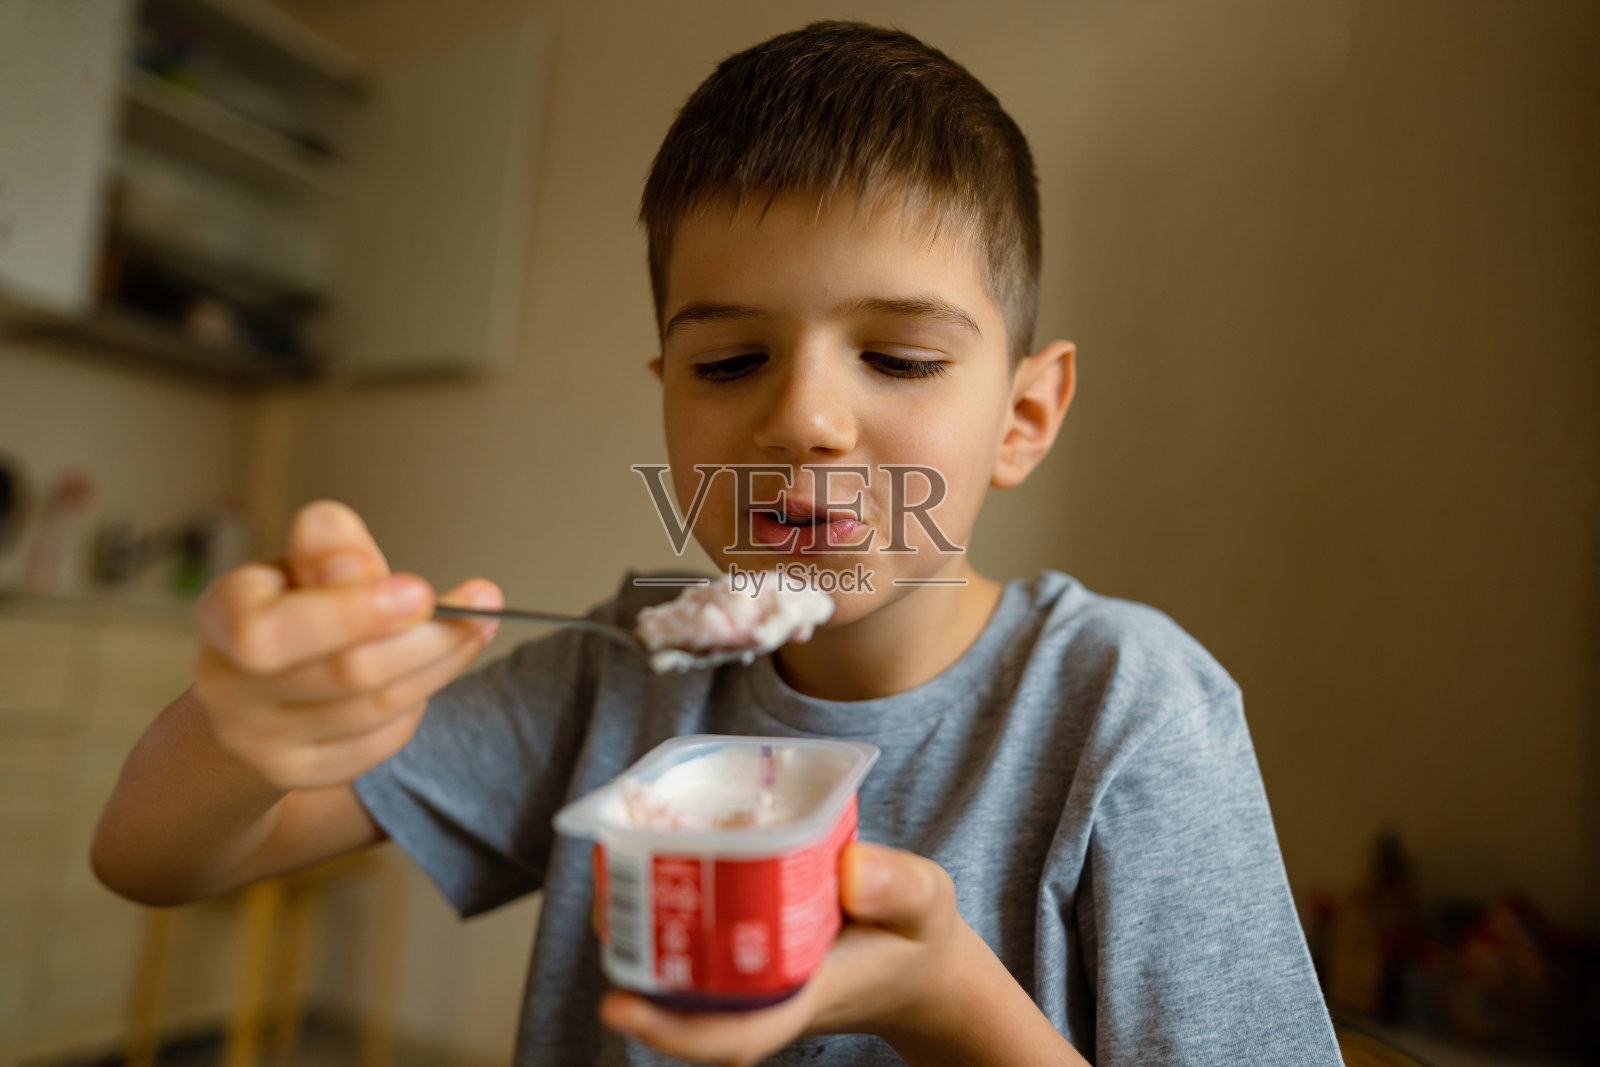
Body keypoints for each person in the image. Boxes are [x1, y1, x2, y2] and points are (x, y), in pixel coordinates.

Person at [92, 20, 1342, 1067]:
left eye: (899, 357)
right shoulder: (622, 661)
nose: (800, 419)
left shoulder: (1128, 706)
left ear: (1022, 414)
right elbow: (152, 858)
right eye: (729, 361)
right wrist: (248, 724)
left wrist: (947, 1000)